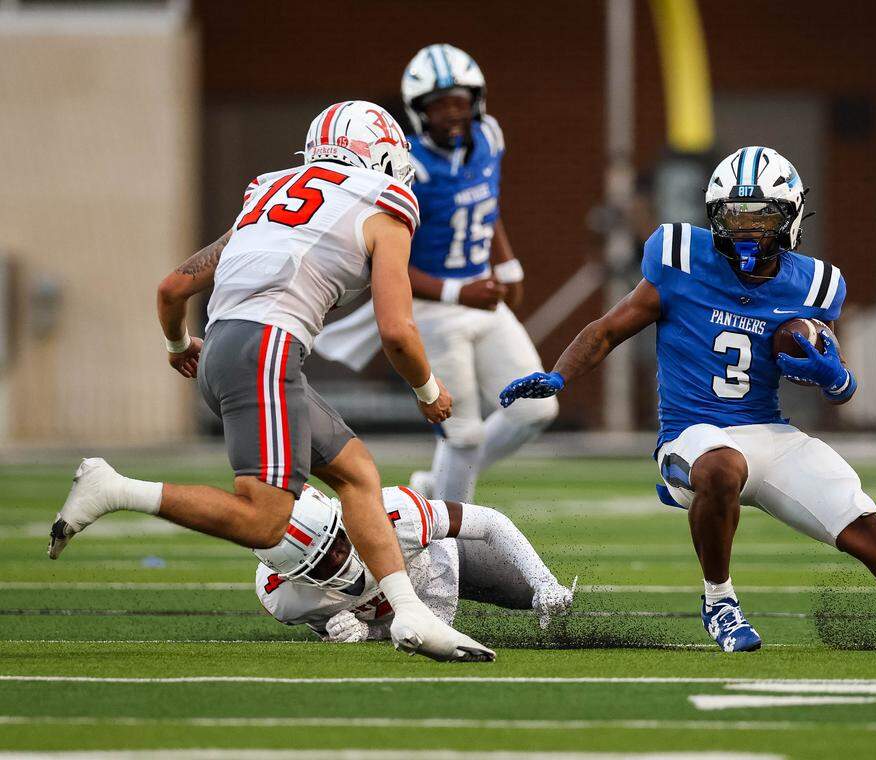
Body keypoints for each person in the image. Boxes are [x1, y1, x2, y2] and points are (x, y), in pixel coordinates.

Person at [500, 146, 876, 654]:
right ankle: (720, 603)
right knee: (720, 467)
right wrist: (558, 377)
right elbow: (606, 329)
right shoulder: (680, 258)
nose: (746, 230)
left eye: (759, 217)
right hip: (692, 434)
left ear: (789, 218)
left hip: (769, 433)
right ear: (714, 216)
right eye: (734, 217)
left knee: (870, 534)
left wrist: (833, 375)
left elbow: (841, 390)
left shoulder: (814, 285)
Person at [48, 101, 493, 662]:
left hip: (226, 349)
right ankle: (115, 488)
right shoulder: (386, 199)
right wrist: (429, 391)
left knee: (357, 473)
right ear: (379, 153)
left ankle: (410, 613)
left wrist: (179, 346)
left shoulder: (268, 190)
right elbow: (397, 331)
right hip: (266, 349)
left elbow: (170, 290)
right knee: (265, 518)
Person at [314, 44, 557, 503]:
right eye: (439, 104)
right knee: (460, 435)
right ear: (418, 111)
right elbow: (385, 261)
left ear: (476, 102)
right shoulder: (407, 167)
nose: (451, 113)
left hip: (481, 296)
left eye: (459, 102)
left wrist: (508, 265)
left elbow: (486, 207)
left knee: (537, 409)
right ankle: (447, 539)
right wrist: (458, 293)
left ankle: (433, 489)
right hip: (432, 308)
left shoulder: (490, 138)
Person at [256, 484, 576, 641]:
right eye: (318, 566)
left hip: (440, 564)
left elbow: (489, 522)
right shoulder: (284, 599)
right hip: (398, 618)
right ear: (291, 575)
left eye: (337, 544)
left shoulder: (397, 515)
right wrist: (367, 633)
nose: (336, 562)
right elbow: (340, 628)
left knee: (528, 595)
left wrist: (543, 582)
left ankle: (430, 488)